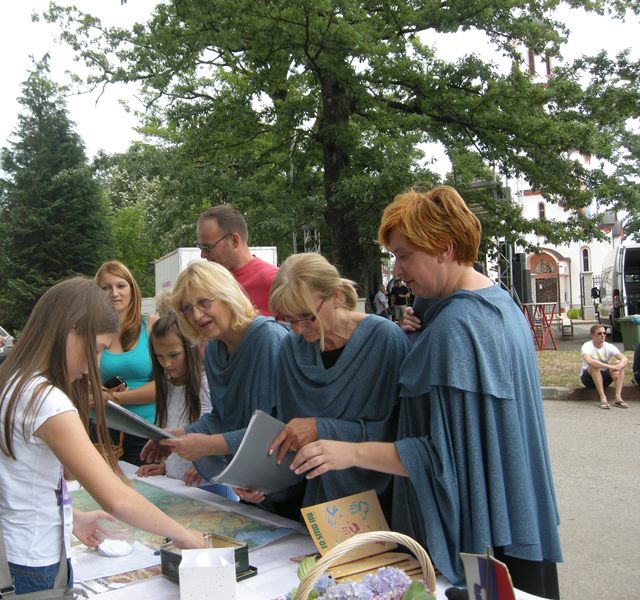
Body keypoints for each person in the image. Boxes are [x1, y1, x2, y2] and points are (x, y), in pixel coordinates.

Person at [291, 185, 562, 598]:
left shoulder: (456, 327)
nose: (396, 269)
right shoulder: (499, 305)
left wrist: (347, 452)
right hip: (517, 518)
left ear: (444, 249)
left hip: (482, 541)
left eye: (404, 255)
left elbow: (442, 459)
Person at [0, 278, 204, 599]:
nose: (94, 367)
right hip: (26, 565)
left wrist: (71, 518)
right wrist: (185, 536)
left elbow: (18, 479)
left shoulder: (11, 380)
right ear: (71, 331)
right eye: (97, 349)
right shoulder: (47, 401)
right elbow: (115, 497)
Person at [266, 253, 409, 520]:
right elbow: (287, 433)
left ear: (335, 296)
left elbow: (398, 433)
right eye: (288, 319)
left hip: (374, 504)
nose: (297, 329)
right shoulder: (291, 348)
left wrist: (320, 428)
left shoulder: (384, 340)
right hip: (306, 500)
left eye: (307, 317)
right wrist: (261, 481)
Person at [141, 261, 288, 497]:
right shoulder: (213, 348)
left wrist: (207, 446)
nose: (196, 315)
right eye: (187, 308)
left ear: (227, 294)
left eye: (204, 302)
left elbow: (274, 429)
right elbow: (221, 418)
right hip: (255, 482)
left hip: (288, 482)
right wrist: (174, 436)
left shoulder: (268, 338)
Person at [135, 294, 237, 499]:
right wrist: (165, 466)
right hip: (177, 484)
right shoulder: (166, 385)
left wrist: (206, 465)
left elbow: (223, 432)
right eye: (159, 356)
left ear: (190, 348)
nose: (167, 363)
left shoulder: (207, 385)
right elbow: (174, 430)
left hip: (211, 486)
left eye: (174, 355)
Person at [95, 260, 159, 465]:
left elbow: (166, 385)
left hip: (146, 430)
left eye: (120, 285)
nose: (114, 293)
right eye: (106, 288)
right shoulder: (89, 331)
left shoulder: (152, 326)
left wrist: (114, 398)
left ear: (132, 289)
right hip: (103, 432)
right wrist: (100, 392)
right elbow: (80, 379)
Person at [196, 205, 278, 316]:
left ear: (234, 240)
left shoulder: (274, 282)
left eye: (208, 247)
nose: (202, 255)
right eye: (201, 248)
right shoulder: (207, 285)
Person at [580, 324, 630, 409]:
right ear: (593, 335)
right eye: (599, 333)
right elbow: (589, 361)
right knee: (594, 366)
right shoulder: (587, 346)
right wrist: (611, 367)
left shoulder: (609, 346)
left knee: (619, 363)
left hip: (604, 378)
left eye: (604, 333)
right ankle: (603, 398)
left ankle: (618, 398)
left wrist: (618, 367)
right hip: (589, 378)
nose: (603, 335)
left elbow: (624, 359)